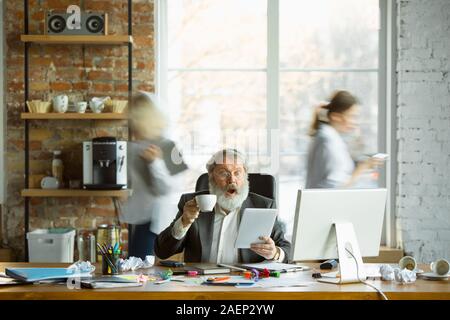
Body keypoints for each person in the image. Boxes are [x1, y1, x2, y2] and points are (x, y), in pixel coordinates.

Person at [154, 149, 291, 263]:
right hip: (201, 287)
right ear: (211, 177)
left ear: (245, 176)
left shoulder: (264, 206)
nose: (232, 180)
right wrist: (183, 222)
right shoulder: (191, 204)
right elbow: (162, 251)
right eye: (224, 173)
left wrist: (275, 253)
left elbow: (287, 251)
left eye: (237, 172)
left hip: (248, 284)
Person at [118, 92, 187, 259]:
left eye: (134, 119)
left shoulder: (169, 146)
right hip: (138, 219)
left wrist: (155, 163)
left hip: (158, 222)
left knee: (140, 272)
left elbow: (170, 189)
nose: (130, 124)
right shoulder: (131, 147)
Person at [305, 90, 384, 188]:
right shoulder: (329, 141)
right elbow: (337, 187)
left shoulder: (329, 136)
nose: (356, 122)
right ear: (336, 117)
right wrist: (362, 167)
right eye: (353, 116)